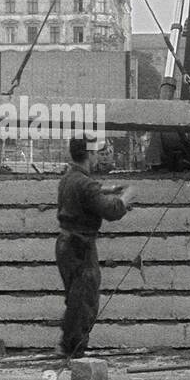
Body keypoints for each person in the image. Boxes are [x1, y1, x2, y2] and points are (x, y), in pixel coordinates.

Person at [55, 136, 136, 358]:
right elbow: (111, 211)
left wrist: (106, 189)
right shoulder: (84, 183)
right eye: (95, 152)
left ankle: (68, 344)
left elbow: (88, 192)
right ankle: (73, 349)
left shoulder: (68, 178)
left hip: (66, 244)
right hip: (80, 246)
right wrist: (126, 197)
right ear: (89, 154)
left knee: (75, 297)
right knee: (85, 300)